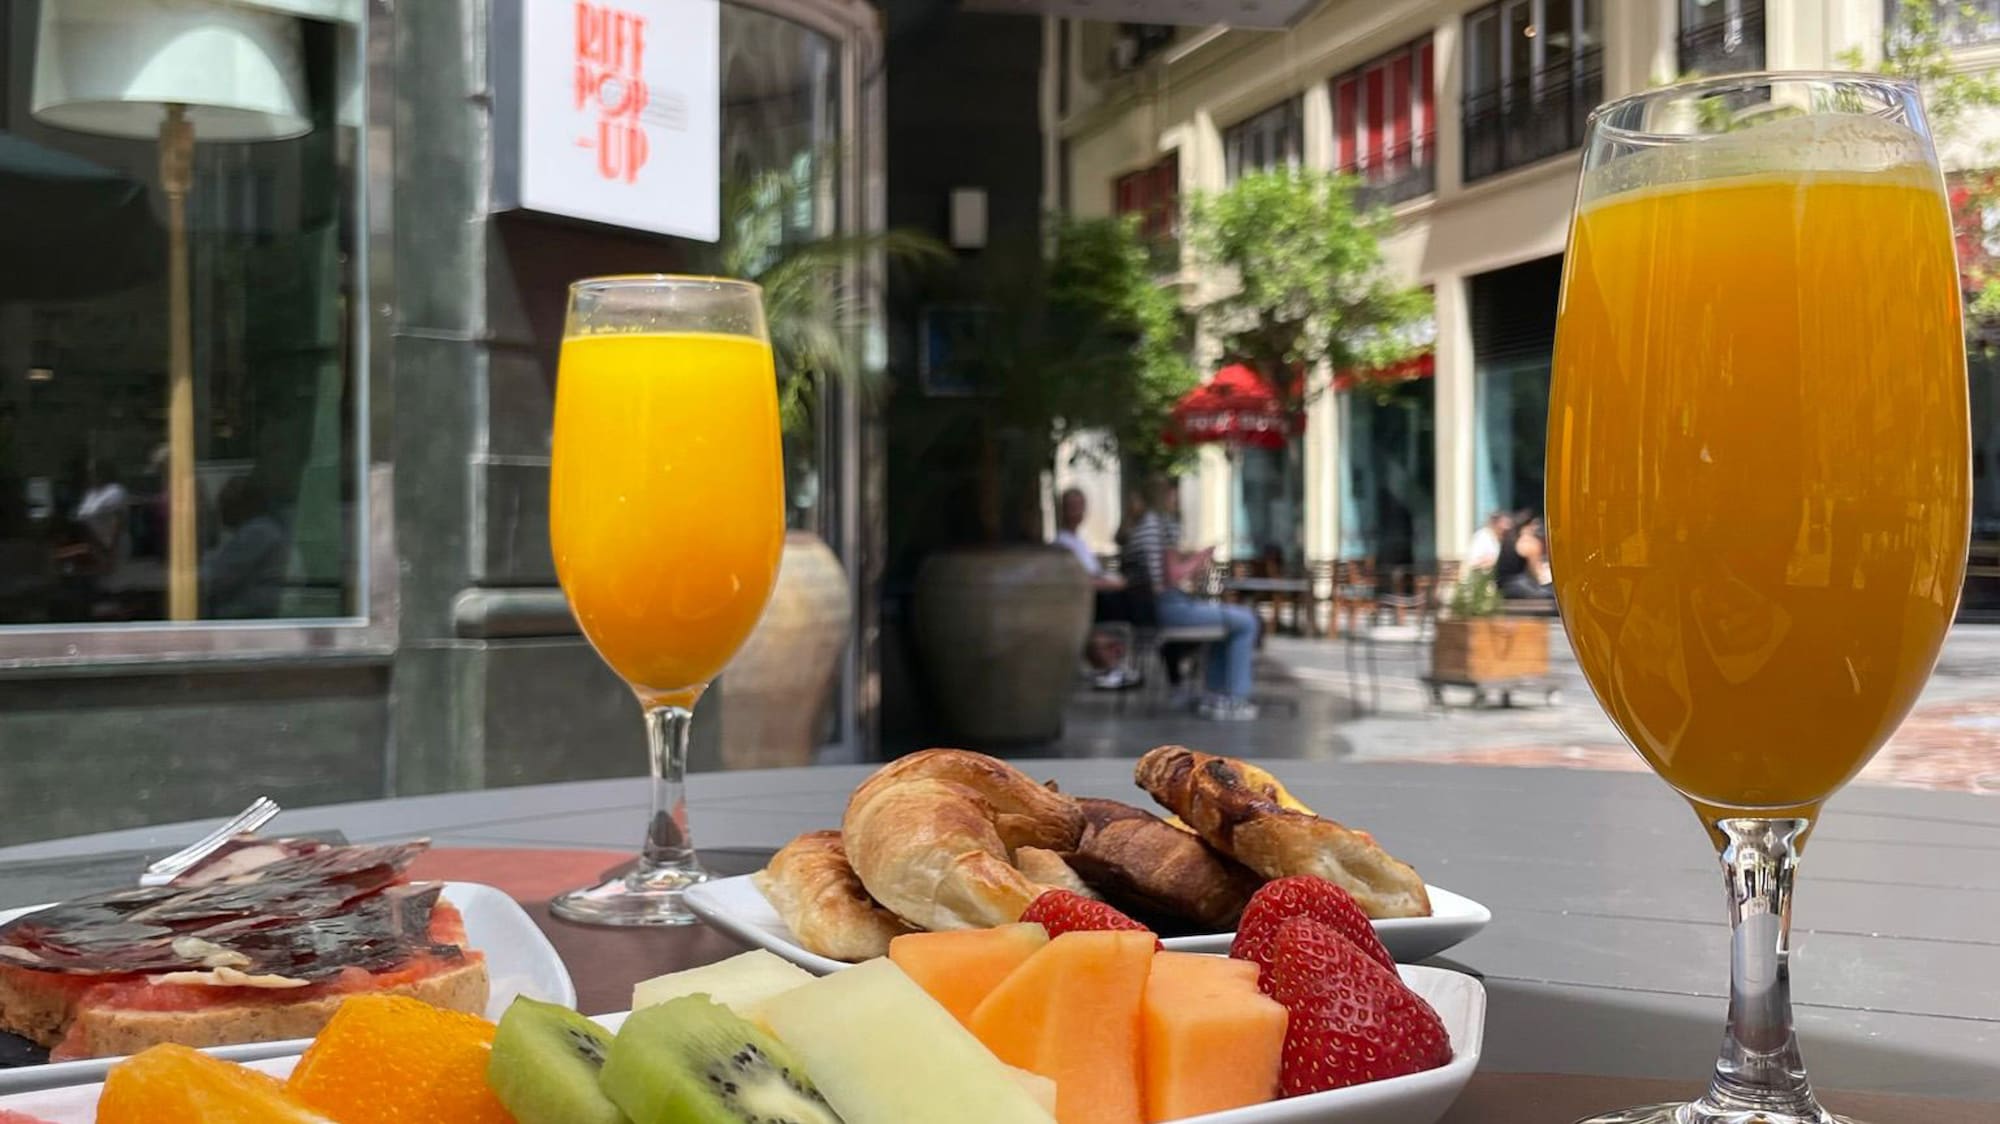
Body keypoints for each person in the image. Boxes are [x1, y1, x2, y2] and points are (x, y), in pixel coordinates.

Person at [1127, 478, 1261, 720]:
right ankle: (1233, 698)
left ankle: (1217, 693)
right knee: (1246, 620)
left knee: (1229, 623)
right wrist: (1201, 557)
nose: (1176, 500)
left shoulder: (1143, 527)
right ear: (1165, 495)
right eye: (1173, 494)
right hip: (1167, 606)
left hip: (1152, 608)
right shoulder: (1160, 527)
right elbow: (1173, 576)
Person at [1053, 487, 1142, 688]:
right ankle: (1112, 664)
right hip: (1088, 601)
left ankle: (1115, 663)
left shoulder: (1079, 542)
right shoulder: (1062, 544)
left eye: (1080, 507)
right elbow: (1078, 581)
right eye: (1073, 507)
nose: (1077, 512)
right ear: (1063, 510)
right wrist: (1113, 584)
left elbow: (1094, 572)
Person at [202, 476, 289, 619]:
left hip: (251, 615)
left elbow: (218, 577)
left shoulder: (258, 532)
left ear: (241, 505)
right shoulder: (260, 529)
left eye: (223, 503)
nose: (220, 510)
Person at [1496, 514, 1555, 600]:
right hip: (1517, 585)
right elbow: (1535, 572)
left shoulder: (1510, 539)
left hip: (1504, 585)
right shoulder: (1527, 542)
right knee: (1549, 593)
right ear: (1529, 525)